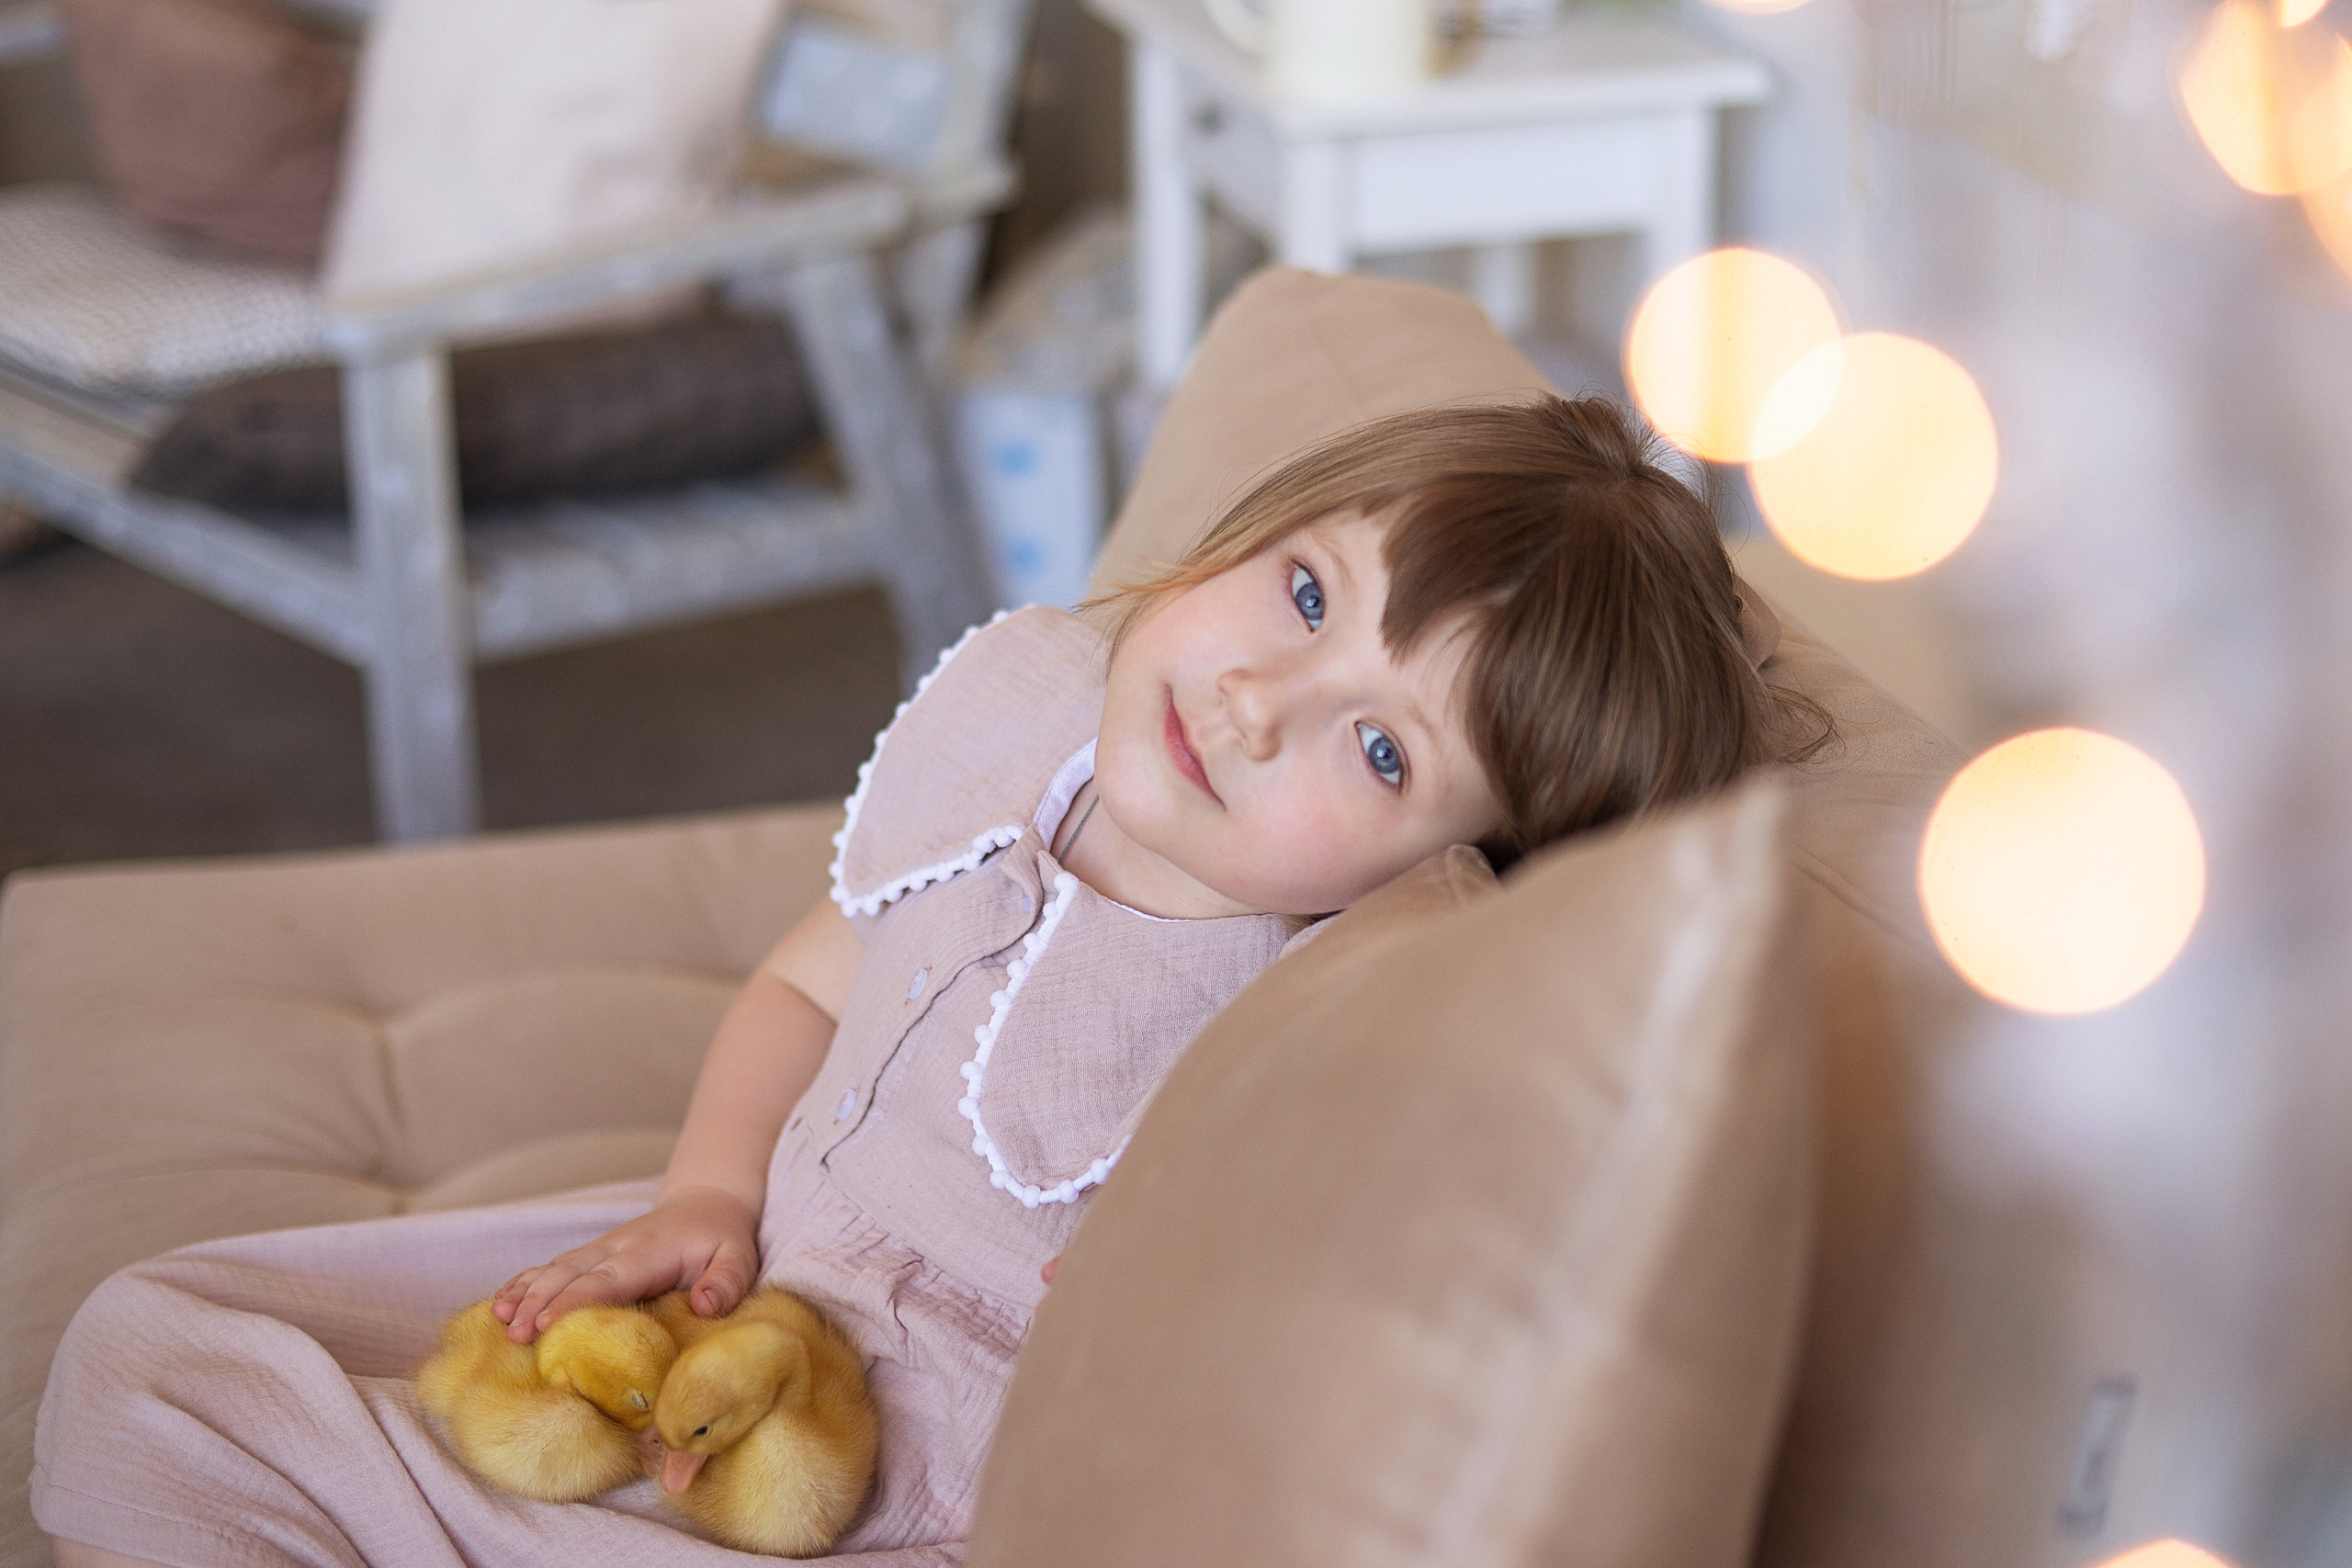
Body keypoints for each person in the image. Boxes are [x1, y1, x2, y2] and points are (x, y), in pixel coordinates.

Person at [37, 394, 1820, 1568]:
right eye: (1299, 590)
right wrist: (704, 1189)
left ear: (1450, 862)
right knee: (152, 1336)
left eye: (1378, 750)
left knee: (196, 1446)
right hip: (743, 1260)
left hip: (882, 1458)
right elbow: (806, 994)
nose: (1259, 702)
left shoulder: (1309, 995)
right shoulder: (1032, 733)